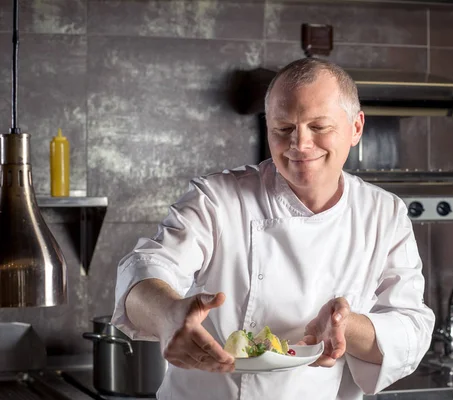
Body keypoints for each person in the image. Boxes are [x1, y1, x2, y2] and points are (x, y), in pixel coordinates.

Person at [111, 57, 435, 400]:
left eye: (319, 127)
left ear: (356, 128)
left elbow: (412, 327)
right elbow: (145, 270)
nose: (300, 145)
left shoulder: (383, 214)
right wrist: (169, 315)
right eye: (283, 129)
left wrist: (345, 326)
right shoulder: (219, 199)